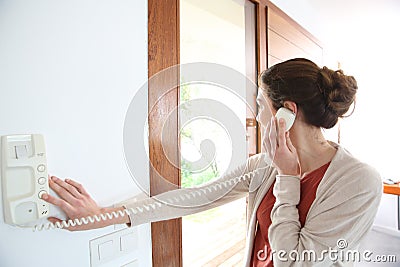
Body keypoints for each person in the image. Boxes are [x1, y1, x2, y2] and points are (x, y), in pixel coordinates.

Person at [42, 58, 382, 266]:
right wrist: (103, 217)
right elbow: (194, 197)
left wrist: (288, 179)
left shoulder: (359, 181)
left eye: (261, 105)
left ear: (286, 113)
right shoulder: (264, 165)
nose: (257, 115)